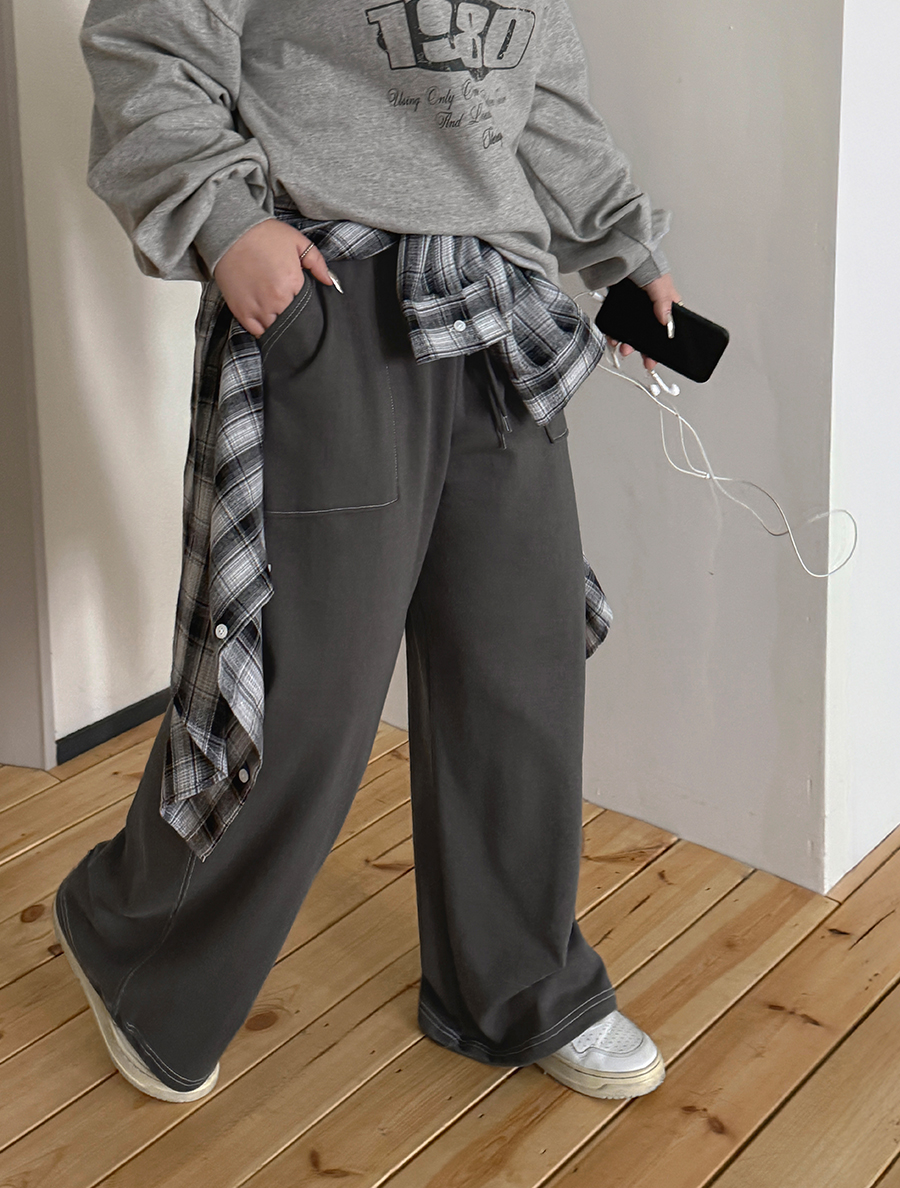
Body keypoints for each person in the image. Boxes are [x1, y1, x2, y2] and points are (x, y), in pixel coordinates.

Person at [53, 0, 682, 1105]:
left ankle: (516, 984)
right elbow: (144, 38)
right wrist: (224, 221)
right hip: (333, 294)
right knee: (305, 686)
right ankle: (137, 944)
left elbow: (540, 95)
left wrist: (622, 247)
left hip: (495, 301)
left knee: (519, 665)